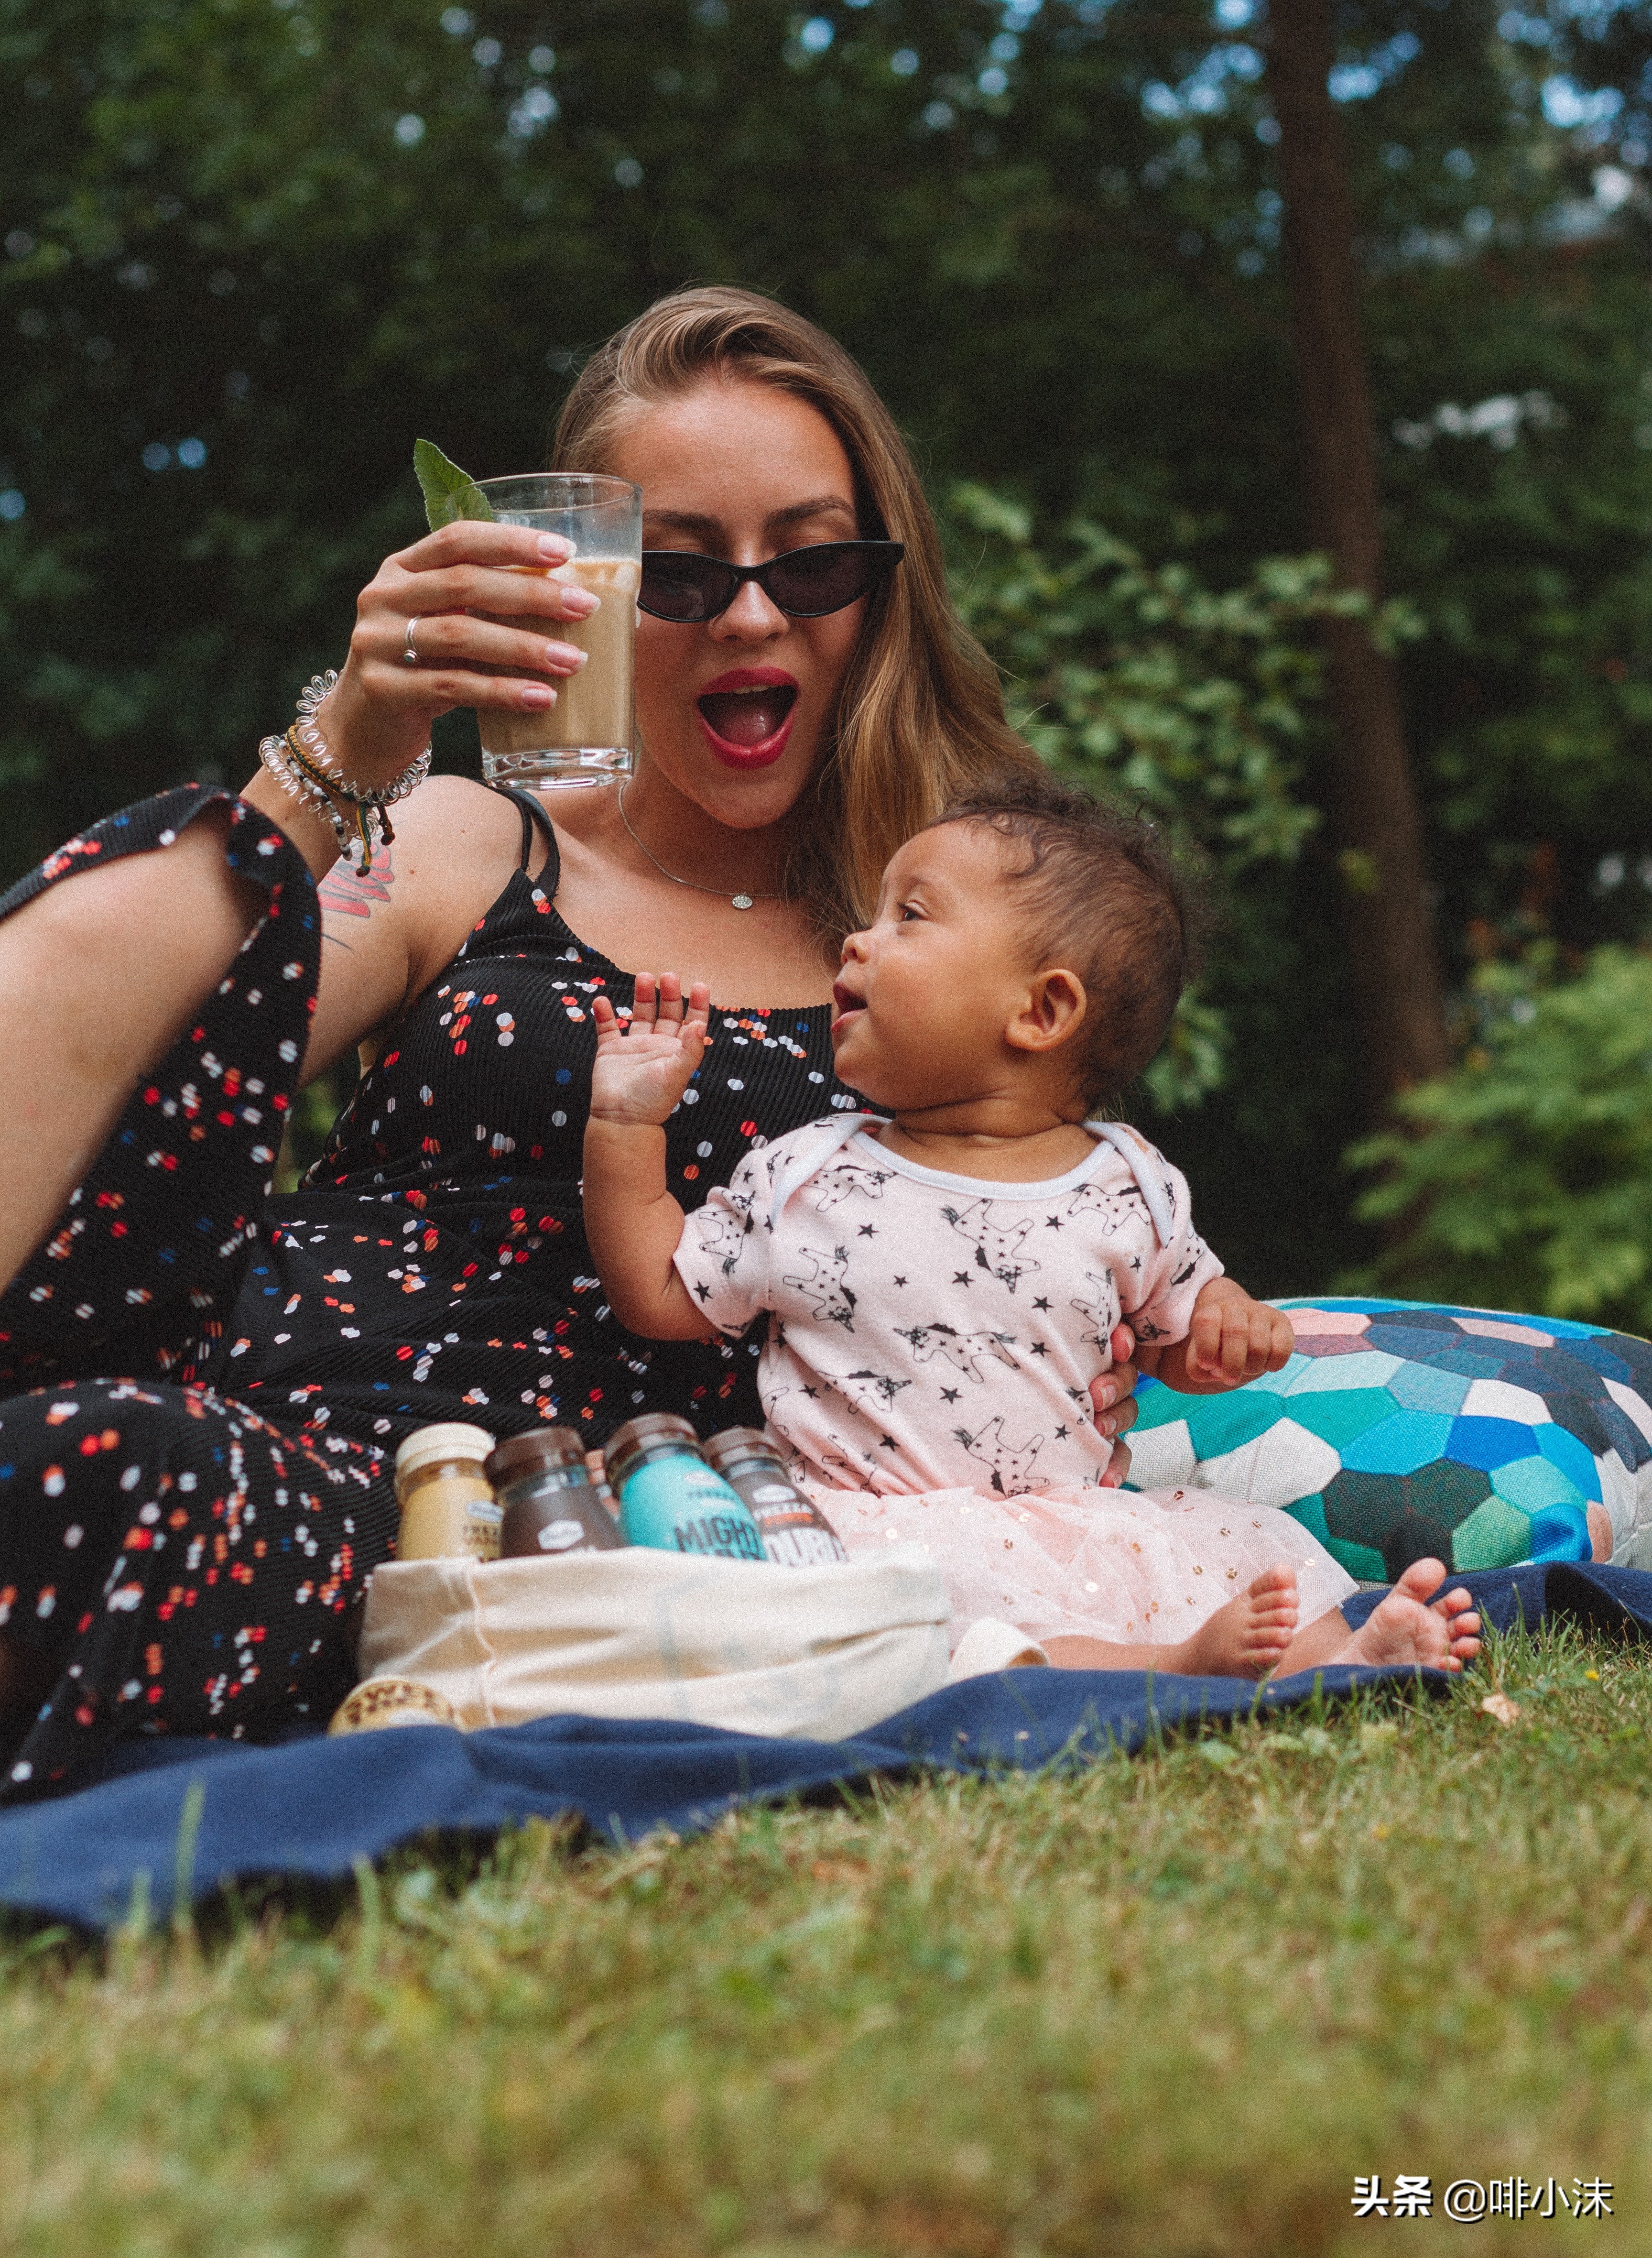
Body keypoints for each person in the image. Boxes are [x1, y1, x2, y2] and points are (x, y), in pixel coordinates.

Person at [0, 287, 1144, 1797]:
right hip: (262, 1437)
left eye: (811, 559)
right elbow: (123, 1058)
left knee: (100, 1476)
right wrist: (339, 751)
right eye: (672, 575)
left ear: (885, 588)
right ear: (573, 590)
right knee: (101, 1453)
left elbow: (1061, 1229)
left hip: (599, 1551)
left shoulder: (939, 946)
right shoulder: (470, 842)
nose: (750, 614)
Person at [582, 770, 1484, 1676]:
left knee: (1234, 1563)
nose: (858, 940)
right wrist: (625, 1123)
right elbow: (660, 1291)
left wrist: (1225, 1329)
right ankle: (1173, 1670)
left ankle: (1349, 1654)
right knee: (974, 1645)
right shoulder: (807, 1173)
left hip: (1073, 1530)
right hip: (868, 1530)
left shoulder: (1130, 1184)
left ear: (1041, 1010)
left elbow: (1177, 1331)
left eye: (911, 916)